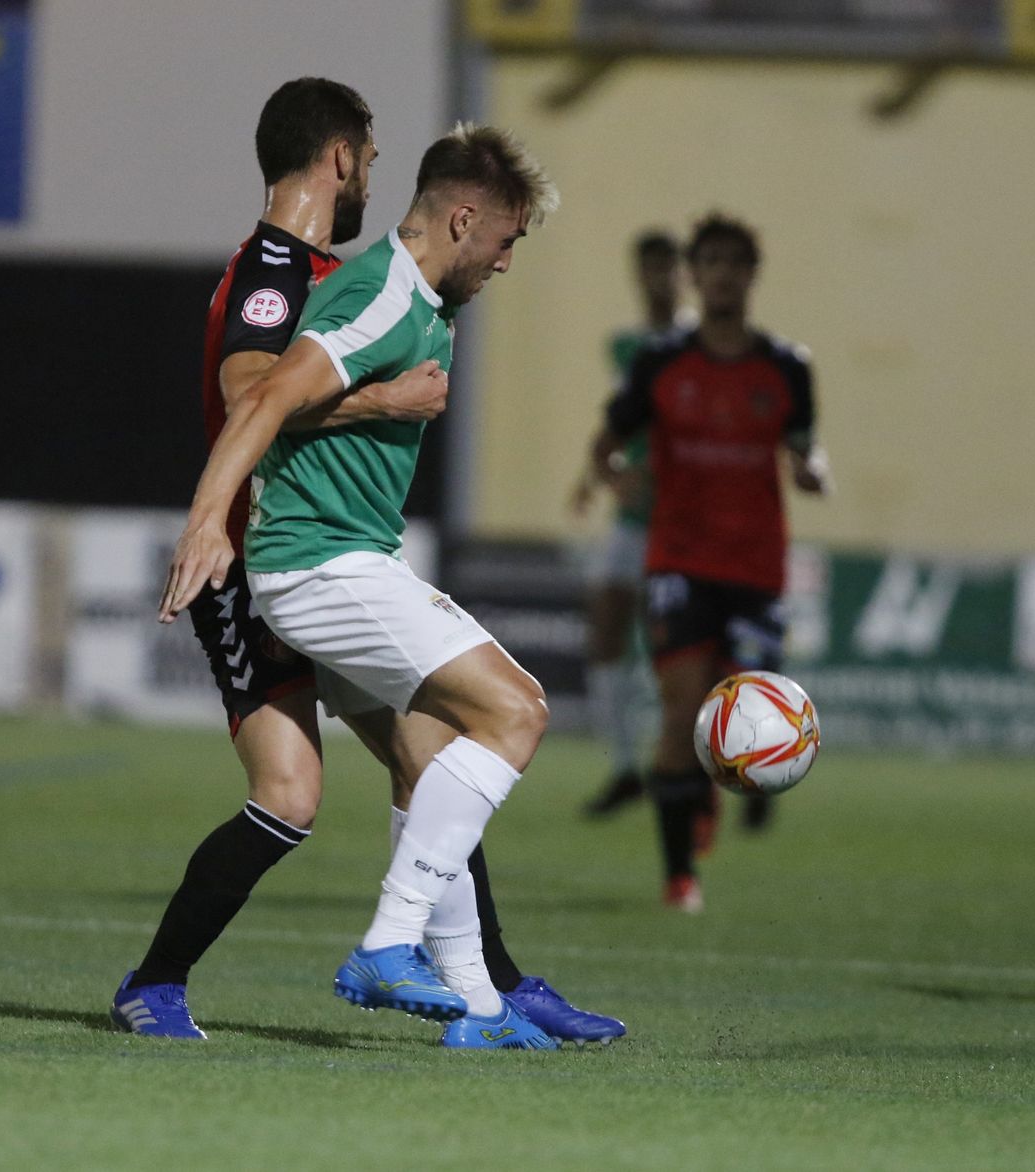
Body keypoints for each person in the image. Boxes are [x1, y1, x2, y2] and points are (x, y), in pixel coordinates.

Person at [114, 81, 622, 1050]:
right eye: (371, 159)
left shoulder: (343, 272)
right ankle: (161, 979)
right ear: (340, 158)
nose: (373, 180)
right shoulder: (277, 268)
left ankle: (488, 992)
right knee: (295, 792)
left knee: (428, 753)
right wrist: (373, 409)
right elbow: (251, 392)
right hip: (264, 548)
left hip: (299, 540)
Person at [592, 213, 831, 912]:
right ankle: (679, 878)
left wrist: (812, 469)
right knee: (681, 708)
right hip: (680, 559)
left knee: (748, 697)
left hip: (756, 567)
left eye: (737, 262)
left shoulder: (787, 366)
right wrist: (613, 478)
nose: (724, 274)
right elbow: (607, 441)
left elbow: (805, 444)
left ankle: (722, 793)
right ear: (695, 275)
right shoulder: (662, 362)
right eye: (712, 262)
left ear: (753, 275)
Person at [574, 231, 686, 818]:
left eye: (667, 269)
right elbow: (617, 425)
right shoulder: (626, 347)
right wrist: (601, 477)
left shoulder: (698, 345)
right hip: (631, 518)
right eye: (648, 270)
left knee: (675, 648)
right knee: (607, 628)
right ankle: (623, 765)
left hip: (685, 521)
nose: (657, 280)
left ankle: (684, 766)